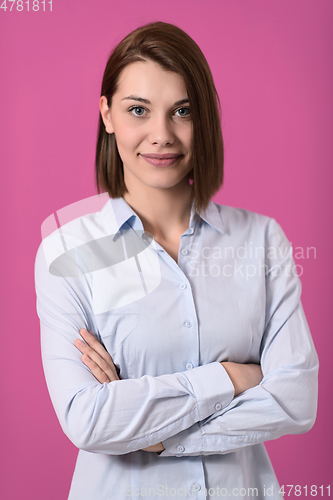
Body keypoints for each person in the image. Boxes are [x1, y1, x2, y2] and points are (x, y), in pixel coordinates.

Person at [34, 21, 319, 500]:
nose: (161, 135)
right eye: (138, 110)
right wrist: (232, 377)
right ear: (107, 114)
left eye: (182, 111)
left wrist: (156, 435)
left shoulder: (262, 240)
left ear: (202, 118)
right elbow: (88, 419)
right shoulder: (66, 254)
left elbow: (295, 401)